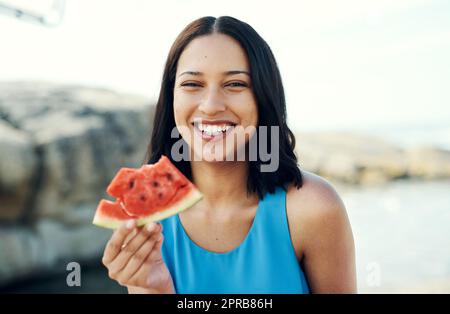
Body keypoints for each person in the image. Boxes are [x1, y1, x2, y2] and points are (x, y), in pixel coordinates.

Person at [101, 16, 356, 294]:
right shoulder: (149, 224)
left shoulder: (314, 210)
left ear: (263, 96)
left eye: (235, 84)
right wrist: (158, 290)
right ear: (171, 96)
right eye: (192, 85)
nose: (210, 106)